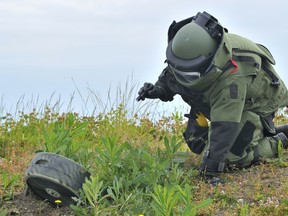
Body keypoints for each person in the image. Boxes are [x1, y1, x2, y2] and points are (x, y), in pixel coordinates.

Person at [136, 11, 288, 185]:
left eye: (189, 73)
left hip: (257, 102)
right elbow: (173, 74)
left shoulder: (231, 79)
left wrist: (211, 170)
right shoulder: (191, 51)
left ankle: (279, 140)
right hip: (217, 96)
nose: (183, 74)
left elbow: (224, 127)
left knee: (234, 156)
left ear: (207, 65)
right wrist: (158, 90)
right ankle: (263, 131)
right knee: (198, 144)